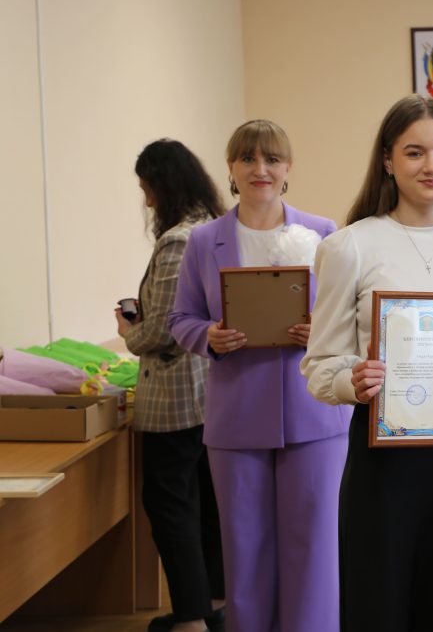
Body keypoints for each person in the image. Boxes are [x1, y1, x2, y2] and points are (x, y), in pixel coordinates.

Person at [301, 95, 433, 632]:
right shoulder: (349, 246)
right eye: (414, 152)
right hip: (384, 457)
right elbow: (320, 364)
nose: (432, 165)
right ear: (387, 160)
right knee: (381, 601)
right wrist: (351, 381)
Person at [168, 120, 351, 632]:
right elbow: (180, 319)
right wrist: (209, 336)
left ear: (288, 167)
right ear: (230, 168)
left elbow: (350, 315)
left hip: (315, 412)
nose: (260, 169)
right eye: (247, 158)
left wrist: (321, 330)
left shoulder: (324, 232)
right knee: (244, 547)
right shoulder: (204, 241)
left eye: (271, 158)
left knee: (314, 546)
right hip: (236, 417)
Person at [116, 139, 226, 632]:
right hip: (208, 392)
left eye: (147, 189)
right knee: (205, 502)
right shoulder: (215, 228)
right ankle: (214, 607)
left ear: (164, 185)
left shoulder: (179, 239)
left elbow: (163, 328)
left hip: (177, 397)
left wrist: (129, 333)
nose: (146, 200)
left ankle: (191, 619)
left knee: (170, 505)